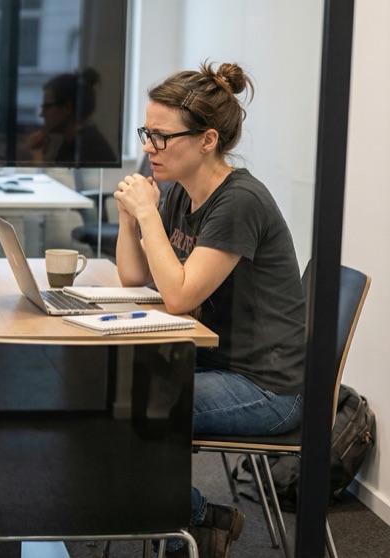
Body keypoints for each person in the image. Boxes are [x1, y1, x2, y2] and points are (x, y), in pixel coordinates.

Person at [114, 62, 305, 558]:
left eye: (161, 137)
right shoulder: (181, 192)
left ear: (207, 140)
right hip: (212, 362)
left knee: (129, 412)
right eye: (146, 134)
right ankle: (177, 518)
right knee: (103, 390)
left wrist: (147, 213)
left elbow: (179, 297)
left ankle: (196, 520)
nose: (149, 148)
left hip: (265, 387)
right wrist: (129, 219)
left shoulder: (239, 201)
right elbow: (133, 276)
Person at [25, 68, 117, 166]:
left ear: (67, 108)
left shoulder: (87, 147)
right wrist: (40, 152)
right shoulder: (74, 142)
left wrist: (37, 155)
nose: (41, 114)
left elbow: (48, 176)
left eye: (47, 107)